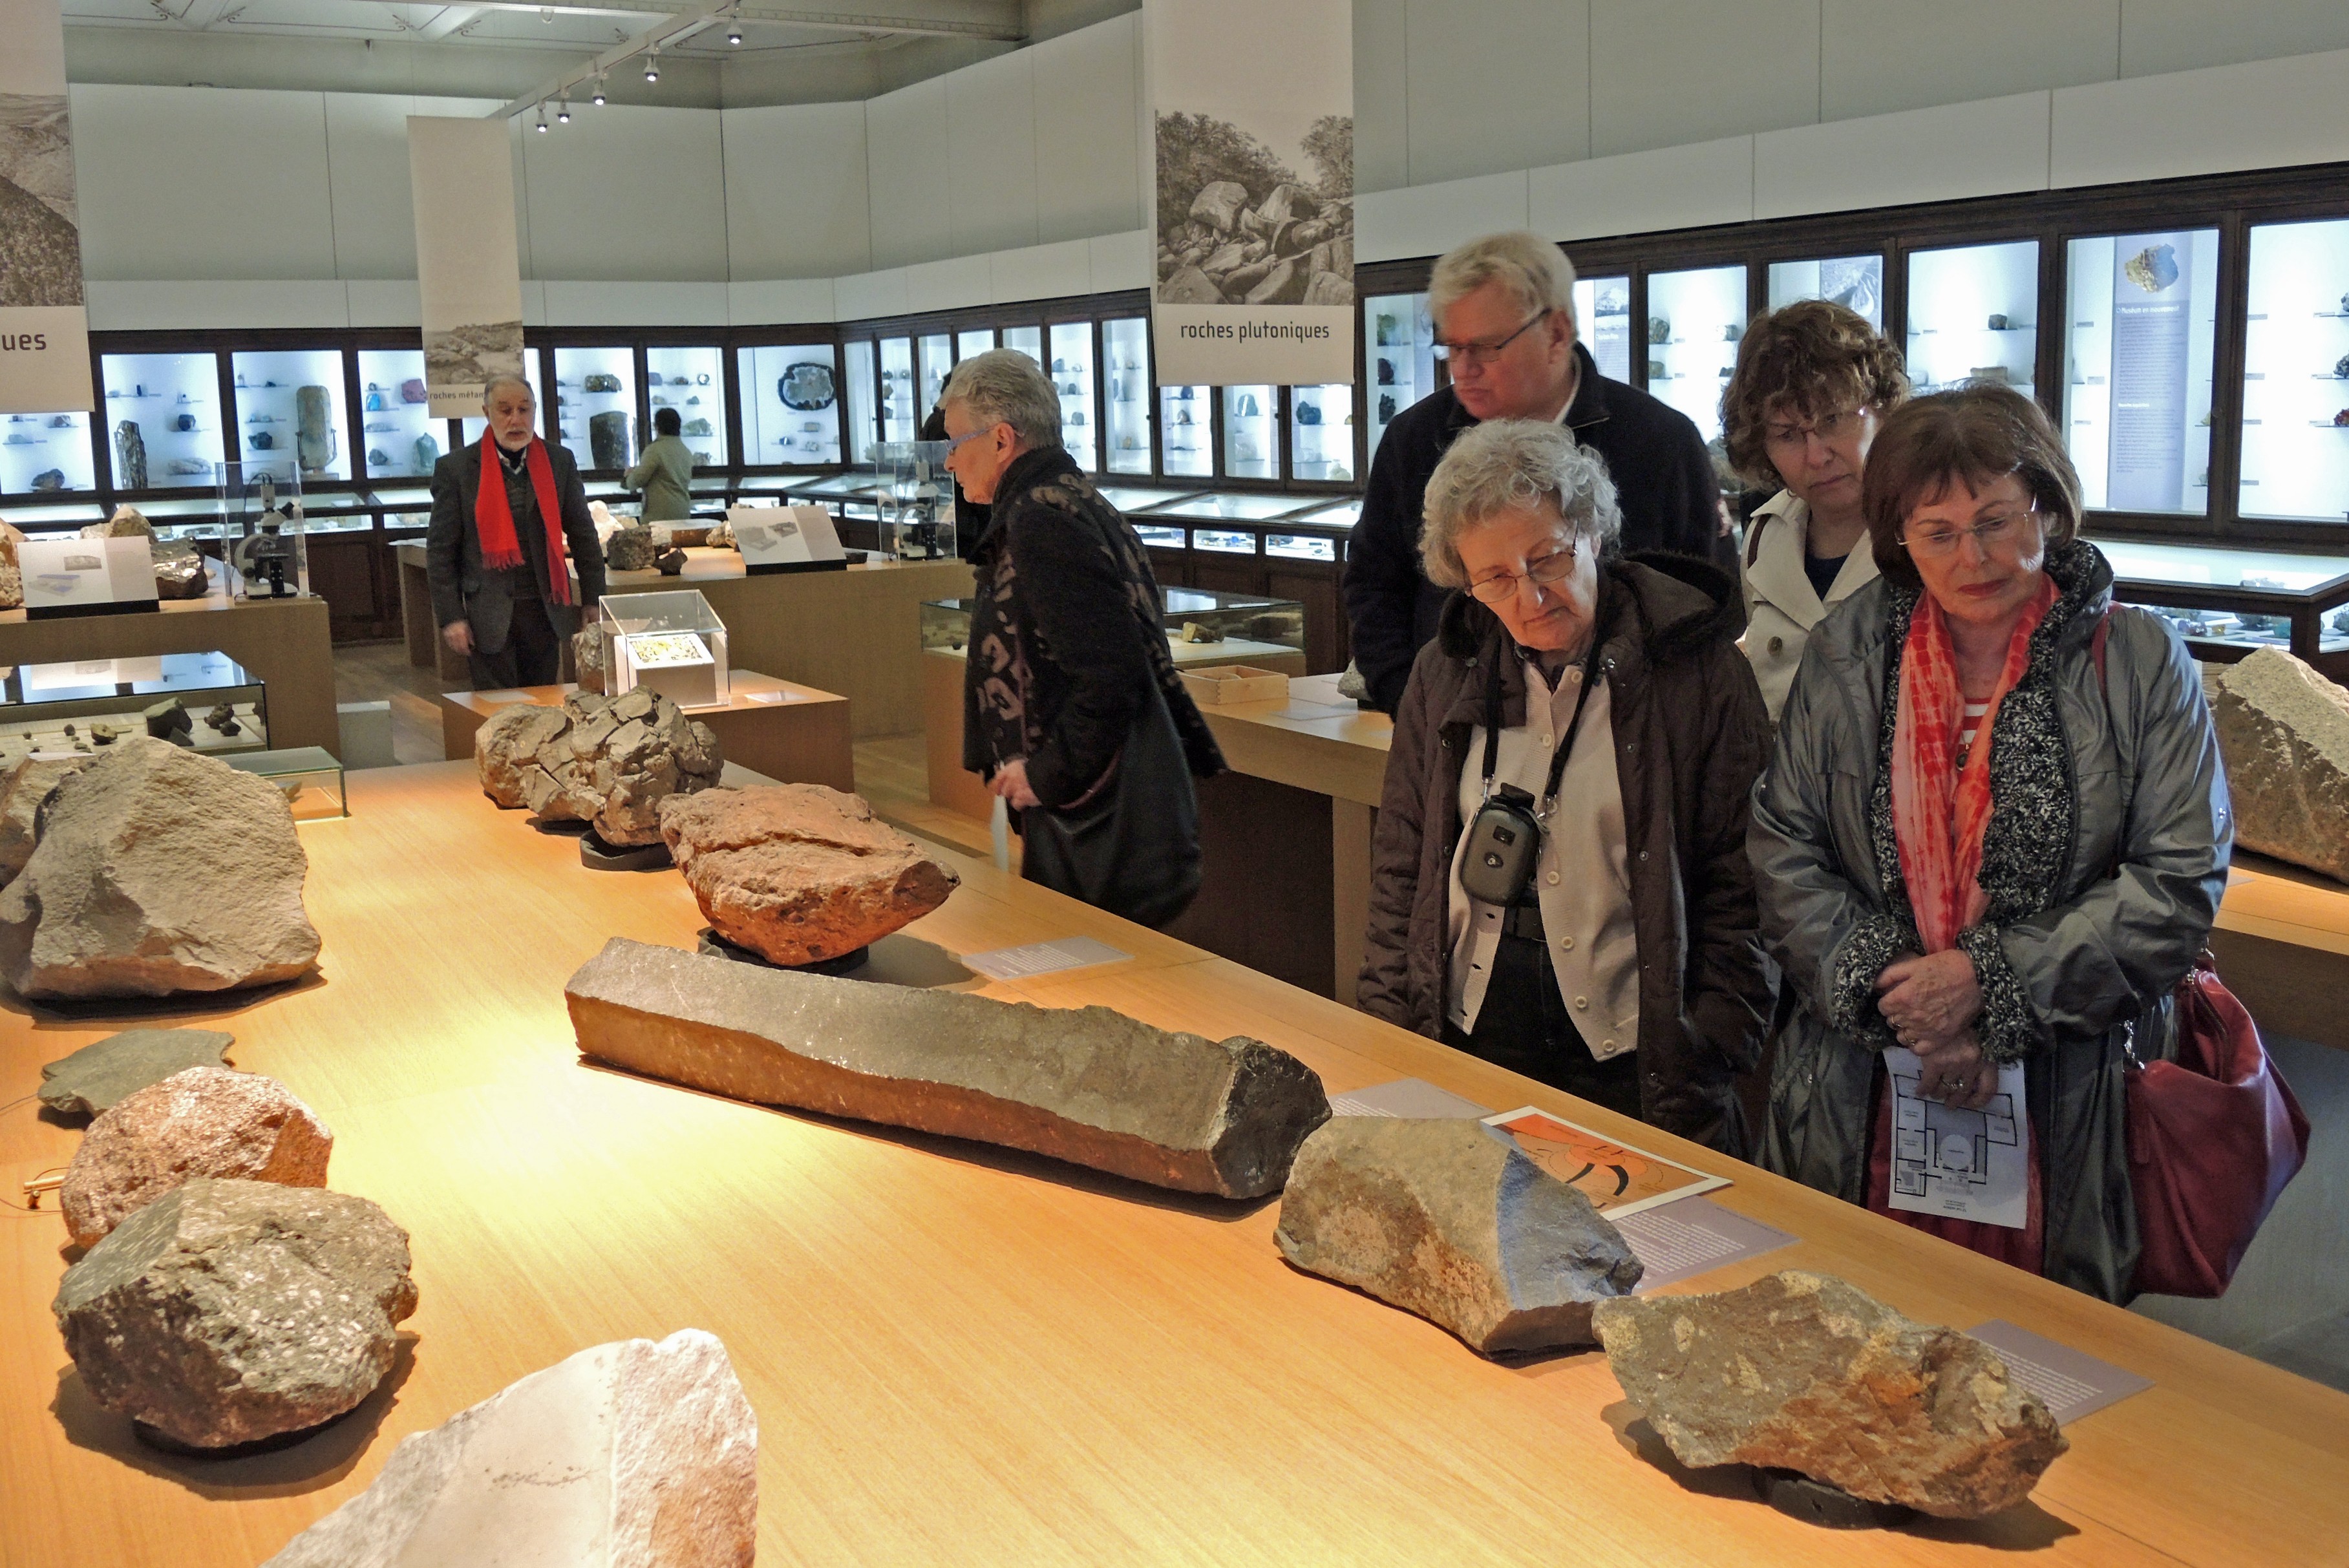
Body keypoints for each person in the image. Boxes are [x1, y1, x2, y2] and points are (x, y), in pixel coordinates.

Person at [1748, 384, 2231, 1302]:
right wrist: (1910, 1002)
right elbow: (1784, 846)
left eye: (1996, 521)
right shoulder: (1847, 651)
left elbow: (2177, 882)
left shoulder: (2138, 661)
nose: (1971, 557)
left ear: (2045, 507)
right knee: (1852, 1328)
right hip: (1860, 1090)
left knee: (2046, 1356)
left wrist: (1986, 984)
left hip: (2069, 1096)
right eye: (1936, 532)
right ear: (1898, 537)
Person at [1358, 419, 1773, 1154]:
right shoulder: (1444, 670)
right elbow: (1403, 858)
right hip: (1472, 1023)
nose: (1530, 596)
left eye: (1547, 557)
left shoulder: (1696, 671)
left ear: (1592, 532)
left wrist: (1712, 1039)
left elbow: (1744, 878)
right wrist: (1391, 1026)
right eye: (1494, 578)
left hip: (1636, 1046)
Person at [1345, 231, 1731, 716]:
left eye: (1486, 347)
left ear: (1557, 333)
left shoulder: (1660, 441)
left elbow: (1702, 599)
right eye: (1452, 348)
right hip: (1454, 726)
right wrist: (1412, 702)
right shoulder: (1414, 439)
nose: (1463, 369)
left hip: (1627, 730)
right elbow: (1374, 584)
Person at [940, 349, 1224, 909]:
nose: (949, 462)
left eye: (955, 444)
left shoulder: (1040, 520)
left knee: (1086, 952)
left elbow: (1110, 675)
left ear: (1001, 440)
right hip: (1092, 802)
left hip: (1096, 816)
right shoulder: (1068, 499)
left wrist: (1048, 775)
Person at [1720, 300, 1909, 721]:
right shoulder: (1764, 535)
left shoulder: (1928, 529)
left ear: (1881, 410)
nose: (1817, 456)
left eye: (1834, 420)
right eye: (1787, 435)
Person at [427, 374, 606, 690]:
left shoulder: (559, 461)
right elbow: (441, 553)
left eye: (524, 410)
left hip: (546, 609)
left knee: (544, 702)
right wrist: (451, 617)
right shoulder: (456, 469)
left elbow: (583, 535)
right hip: (487, 615)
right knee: (496, 708)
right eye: (505, 410)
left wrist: (594, 599)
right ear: (487, 412)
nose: (516, 419)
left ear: (534, 411)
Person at [624, 406, 695, 523]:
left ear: (657, 427)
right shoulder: (685, 451)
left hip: (660, 516)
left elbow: (638, 480)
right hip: (683, 511)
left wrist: (629, 476)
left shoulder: (655, 450)